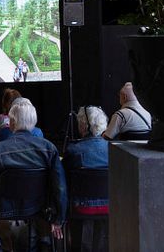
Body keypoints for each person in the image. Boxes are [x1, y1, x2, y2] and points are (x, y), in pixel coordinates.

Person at [0, 97, 67, 252]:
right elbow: (59, 187)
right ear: (34, 121)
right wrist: (58, 219)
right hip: (38, 208)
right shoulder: (50, 149)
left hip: (5, 211)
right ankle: (44, 240)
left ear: (11, 123)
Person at [62, 106, 109, 252]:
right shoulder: (114, 150)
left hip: (80, 208)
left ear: (83, 126)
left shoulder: (73, 150)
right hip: (109, 207)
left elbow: (63, 181)